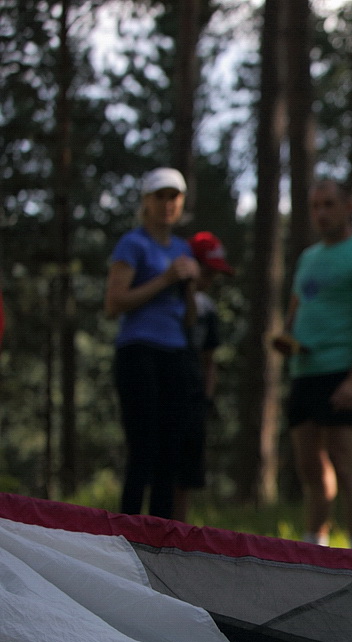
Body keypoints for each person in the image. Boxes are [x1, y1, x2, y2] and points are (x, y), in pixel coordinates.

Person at [275, 179, 352, 552]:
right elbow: (297, 307)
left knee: (345, 461)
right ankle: (315, 546)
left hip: (342, 370)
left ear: (348, 206)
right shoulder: (308, 258)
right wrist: (286, 336)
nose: (321, 213)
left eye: (328, 204)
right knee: (309, 465)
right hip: (304, 372)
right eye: (315, 206)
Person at [104, 167, 202, 520]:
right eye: (159, 196)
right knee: (143, 447)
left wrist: (190, 286)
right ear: (146, 201)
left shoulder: (183, 249)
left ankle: (159, 536)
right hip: (138, 352)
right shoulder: (133, 244)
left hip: (175, 353)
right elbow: (113, 304)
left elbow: (189, 317)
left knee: (170, 452)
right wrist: (165, 278)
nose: (167, 204)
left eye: (173, 196)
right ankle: (127, 531)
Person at [172, 231, 235, 523]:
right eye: (207, 273)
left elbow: (209, 360)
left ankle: (177, 530)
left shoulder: (208, 310)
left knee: (186, 472)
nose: (209, 281)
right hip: (165, 389)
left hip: (193, 396)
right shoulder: (167, 300)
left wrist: (206, 397)